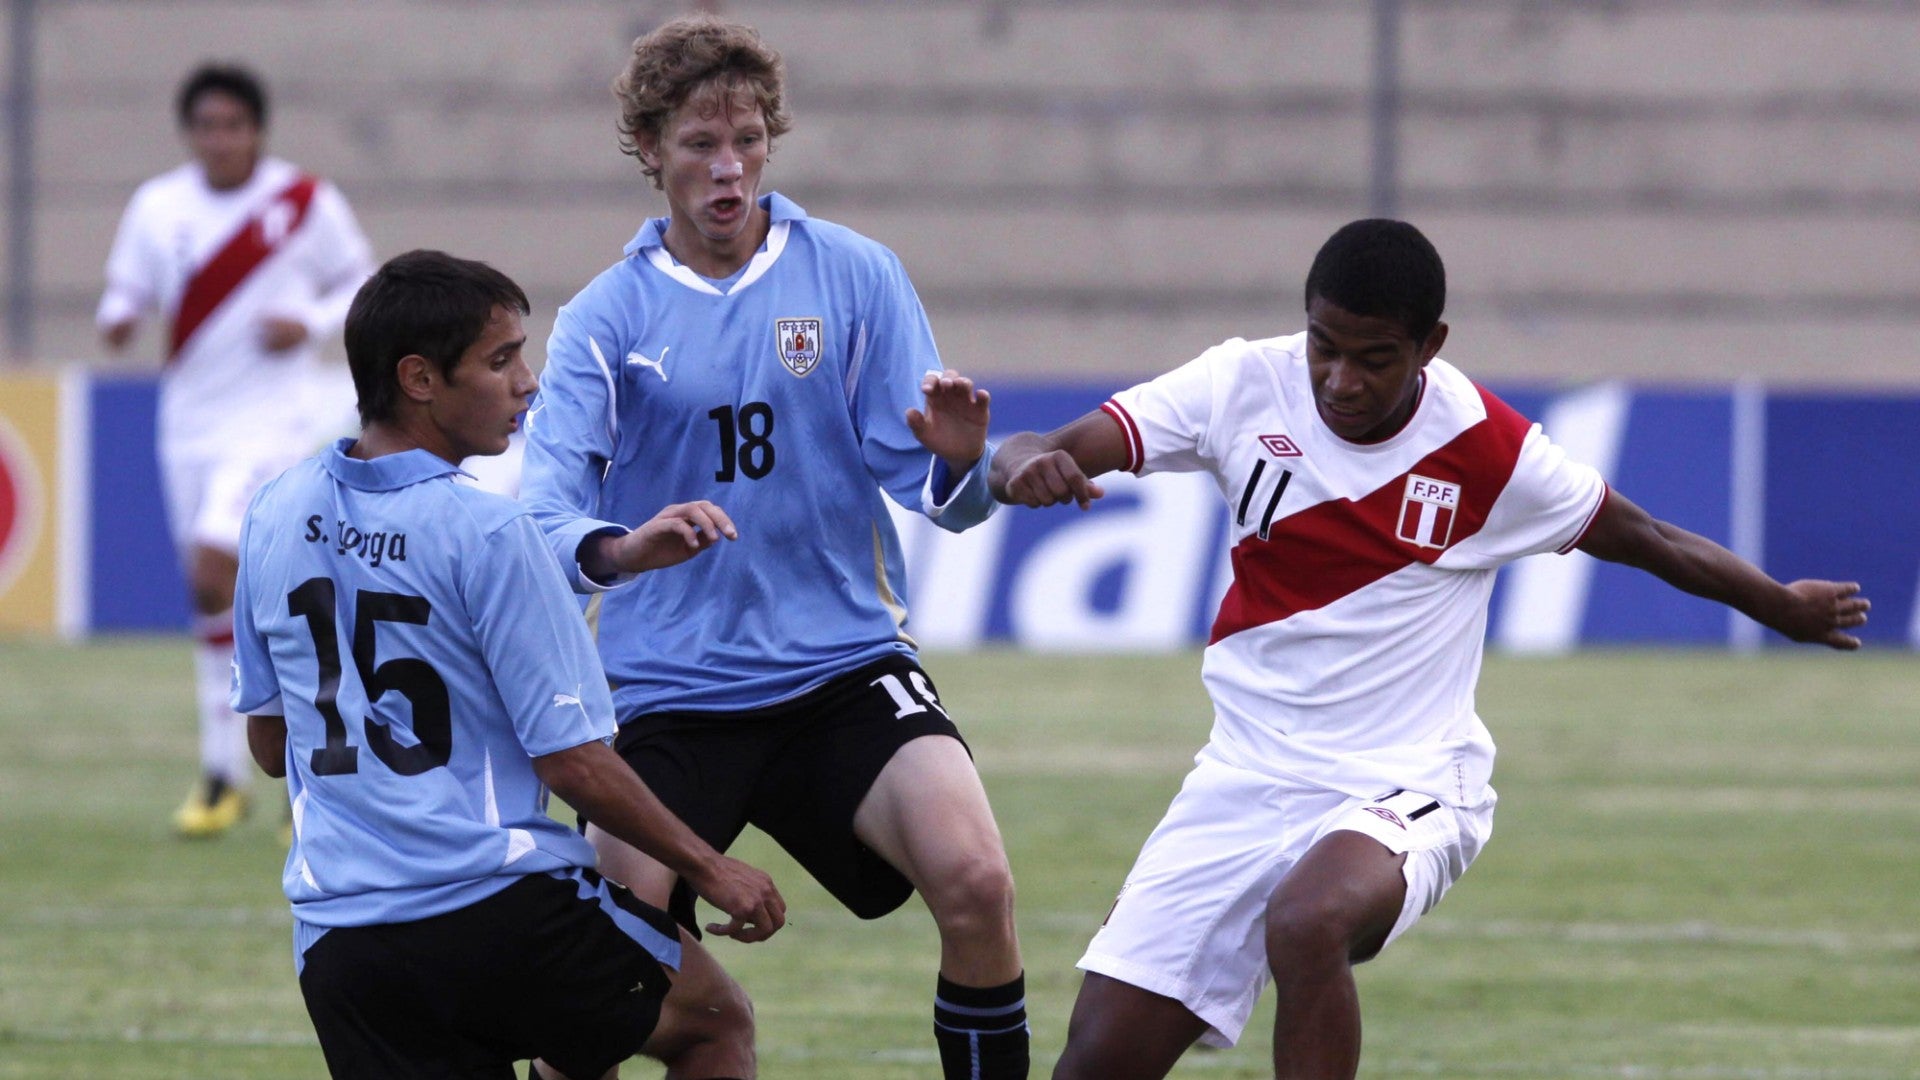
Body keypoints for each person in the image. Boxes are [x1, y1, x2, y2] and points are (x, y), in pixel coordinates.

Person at [989, 219, 1872, 1080]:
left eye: (1374, 358)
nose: (1340, 380)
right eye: (1324, 347)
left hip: (1405, 781)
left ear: (1430, 345)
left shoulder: (1487, 448)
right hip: (1242, 777)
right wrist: (1022, 462)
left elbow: (1649, 538)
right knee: (1097, 1061)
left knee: (1308, 921)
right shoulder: (1238, 383)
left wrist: (1779, 605)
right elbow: (1039, 447)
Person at [519, 15, 1029, 1078]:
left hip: (842, 666)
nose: (729, 167)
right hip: (667, 689)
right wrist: (627, 548)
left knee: (979, 883)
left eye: (748, 140)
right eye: (701, 143)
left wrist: (956, 463)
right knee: (597, 975)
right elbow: (545, 516)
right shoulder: (604, 320)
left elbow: (937, 494)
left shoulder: (854, 275)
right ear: (649, 147)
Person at [230, 249, 786, 1079]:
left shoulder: (274, 510)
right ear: (419, 379)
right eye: (501, 361)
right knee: (714, 1023)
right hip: (493, 906)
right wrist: (711, 869)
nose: (527, 383)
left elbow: (272, 747)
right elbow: (572, 761)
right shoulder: (489, 531)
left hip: (341, 941)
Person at [97, 62, 376, 837]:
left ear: (257, 130)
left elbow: (364, 284)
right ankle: (225, 771)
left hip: (272, 423)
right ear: (189, 133)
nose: (219, 140)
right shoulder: (158, 206)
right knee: (217, 597)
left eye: (233, 126)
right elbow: (125, 289)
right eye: (206, 127)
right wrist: (119, 316)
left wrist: (308, 322)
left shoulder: (303, 201)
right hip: (187, 422)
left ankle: (298, 763)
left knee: (215, 565)